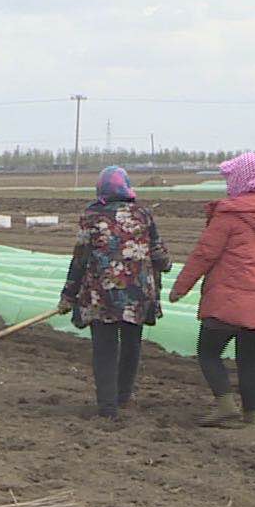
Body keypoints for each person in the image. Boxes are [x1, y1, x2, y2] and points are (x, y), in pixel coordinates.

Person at [168, 153, 255, 427]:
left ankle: (226, 404)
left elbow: (204, 255)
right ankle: (251, 417)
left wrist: (181, 288)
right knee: (249, 359)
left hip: (228, 301)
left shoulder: (229, 214)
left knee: (208, 353)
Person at [55, 167, 168, 419]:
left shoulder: (91, 216)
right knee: (131, 345)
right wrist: (164, 265)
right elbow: (159, 254)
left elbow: (80, 260)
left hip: (101, 296)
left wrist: (68, 296)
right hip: (137, 295)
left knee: (104, 349)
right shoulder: (143, 214)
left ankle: (108, 406)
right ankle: (124, 396)